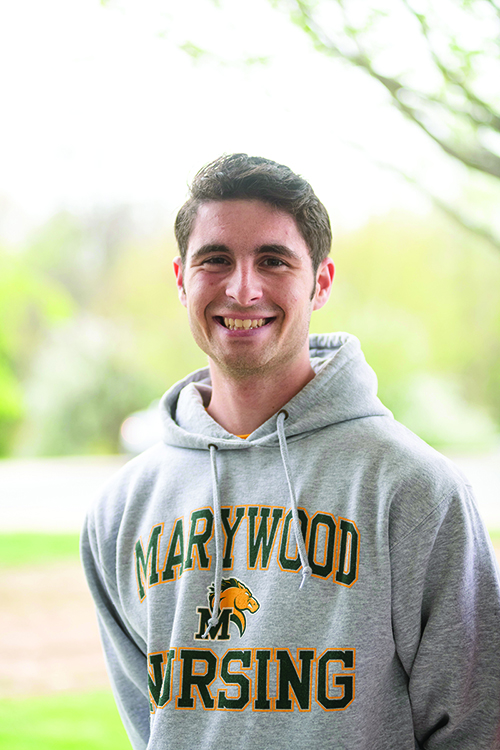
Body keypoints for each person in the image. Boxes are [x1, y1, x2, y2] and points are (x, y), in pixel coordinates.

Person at [81, 153, 500, 750]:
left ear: (320, 282)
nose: (242, 288)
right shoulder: (121, 509)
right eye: (215, 260)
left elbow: (476, 726)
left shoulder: (414, 490)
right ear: (181, 279)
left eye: (273, 261)